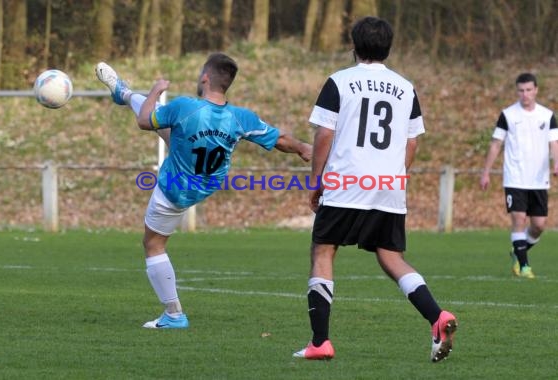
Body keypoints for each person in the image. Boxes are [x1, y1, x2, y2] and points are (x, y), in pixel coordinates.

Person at [95, 53, 311, 329]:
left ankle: (173, 314)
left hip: (175, 189)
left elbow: (145, 120)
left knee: (153, 245)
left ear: (205, 78)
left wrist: (155, 90)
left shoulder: (185, 107)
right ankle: (122, 92)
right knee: (171, 133)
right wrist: (305, 149)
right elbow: (279, 139)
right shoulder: (240, 118)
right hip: (207, 183)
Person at [292, 16, 458, 363]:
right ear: (388, 48)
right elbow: (412, 142)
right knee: (390, 255)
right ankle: (436, 316)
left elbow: (324, 134)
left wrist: (316, 180)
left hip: (346, 182)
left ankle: (320, 342)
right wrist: (393, 176)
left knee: (323, 251)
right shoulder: (406, 87)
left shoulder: (339, 82)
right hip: (388, 186)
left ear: (353, 46)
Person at [480, 72, 558, 279]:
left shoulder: (547, 115)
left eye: (529, 90)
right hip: (515, 177)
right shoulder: (508, 115)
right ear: (517, 91)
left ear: (536, 90)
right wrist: (486, 172)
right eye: (521, 90)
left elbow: (554, 143)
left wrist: (556, 162)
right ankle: (524, 267)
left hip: (539, 179)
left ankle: (518, 250)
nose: (525, 94)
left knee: (539, 225)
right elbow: (496, 144)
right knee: (519, 219)